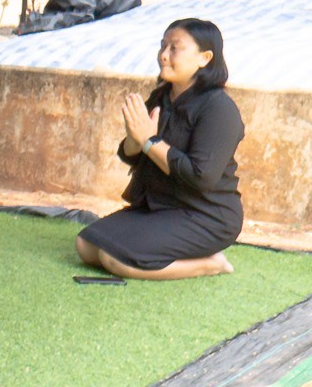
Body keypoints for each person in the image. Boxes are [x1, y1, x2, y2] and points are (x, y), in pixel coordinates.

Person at [76, 19, 242, 279]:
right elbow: (132, 154)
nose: (164, 55)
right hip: (159, 207)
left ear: (204, 58)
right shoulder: (161, 98)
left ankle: (212, 264)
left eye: (175, 48)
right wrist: (136, 140)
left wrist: (150, 142)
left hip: (205, 215)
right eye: (163, 46)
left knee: (115, 259)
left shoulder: (219, 109)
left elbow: (201, 176)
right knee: (86, 246)